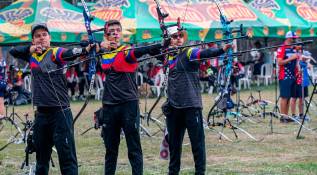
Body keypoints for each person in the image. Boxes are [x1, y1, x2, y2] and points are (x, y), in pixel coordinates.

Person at [9, 23, 90, 175]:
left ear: (50, 38)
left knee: (67, 160)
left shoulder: (55, 52)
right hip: (41, 115)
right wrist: (30, 49)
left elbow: (70, 53)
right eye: (37, 36)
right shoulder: (31, 55)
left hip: (60, 114)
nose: (41, 38)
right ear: (33, 40)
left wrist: (85, 49)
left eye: (44, 35)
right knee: (41, 161)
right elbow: (13, 51)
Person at [163, 25, 232, 174]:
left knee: (197, 145)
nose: (178, 39)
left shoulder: (188, 52)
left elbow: (204, 53)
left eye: (181, 36)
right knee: (174, 147)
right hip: (173, 108)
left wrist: (221, 49)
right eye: (174, 36)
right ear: (169, 40)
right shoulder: (167, 56)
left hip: (191, 107)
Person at [96, 20, 163, 175]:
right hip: (109, 105)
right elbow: (85, 45)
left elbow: (140, 51)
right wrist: (99, 45)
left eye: (117, 30)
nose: (115, 33)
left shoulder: (126, 50)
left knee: (133, 147)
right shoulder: (103, 51)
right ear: (106, 34)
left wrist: (159, 45)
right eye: (111, 30)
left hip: (128, 105)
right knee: (110, 149)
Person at [277, 31, 299, 123]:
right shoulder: (282, 49)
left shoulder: (293, 48)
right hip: (284, 76)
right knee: (284, 97)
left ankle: (286, 116)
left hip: (293, 76)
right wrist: (291, 58)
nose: (295, 40)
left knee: (289, 97)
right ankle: (282, 117)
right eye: (293, 38)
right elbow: (279, 62)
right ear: (288, 38)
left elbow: (295, 61)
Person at [290, 50, 312, 121]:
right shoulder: (298, 62)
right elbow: (297, 70)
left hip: (304, 82)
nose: (306, 59)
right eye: (305, 57)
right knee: (294, 98)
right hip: (297, 82)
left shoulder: (306, 62)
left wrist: (307, 62)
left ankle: (301, 115)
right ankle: (293, 115)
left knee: (301, 99)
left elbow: (310, 67)